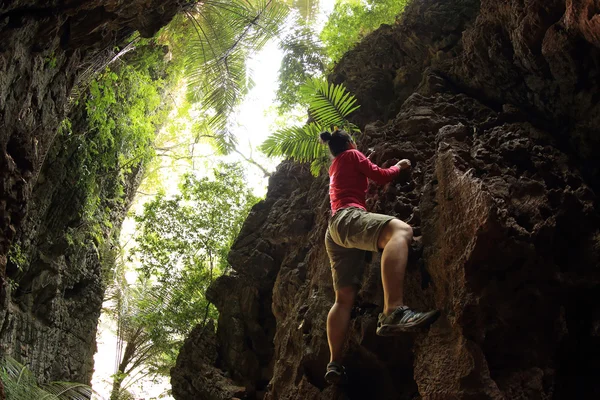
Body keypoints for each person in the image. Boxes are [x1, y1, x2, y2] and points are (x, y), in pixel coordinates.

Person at [321, 129, 439, 385]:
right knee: (401, 231)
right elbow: (380, 176)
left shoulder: (335, 166)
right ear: (351, 143)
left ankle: (334, 363)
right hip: (349, 218)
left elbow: (357, 175)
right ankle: (393, 311)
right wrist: (398, 166)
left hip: (334, 230)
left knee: (343, 299)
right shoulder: (353, 154)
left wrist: (367, 158)